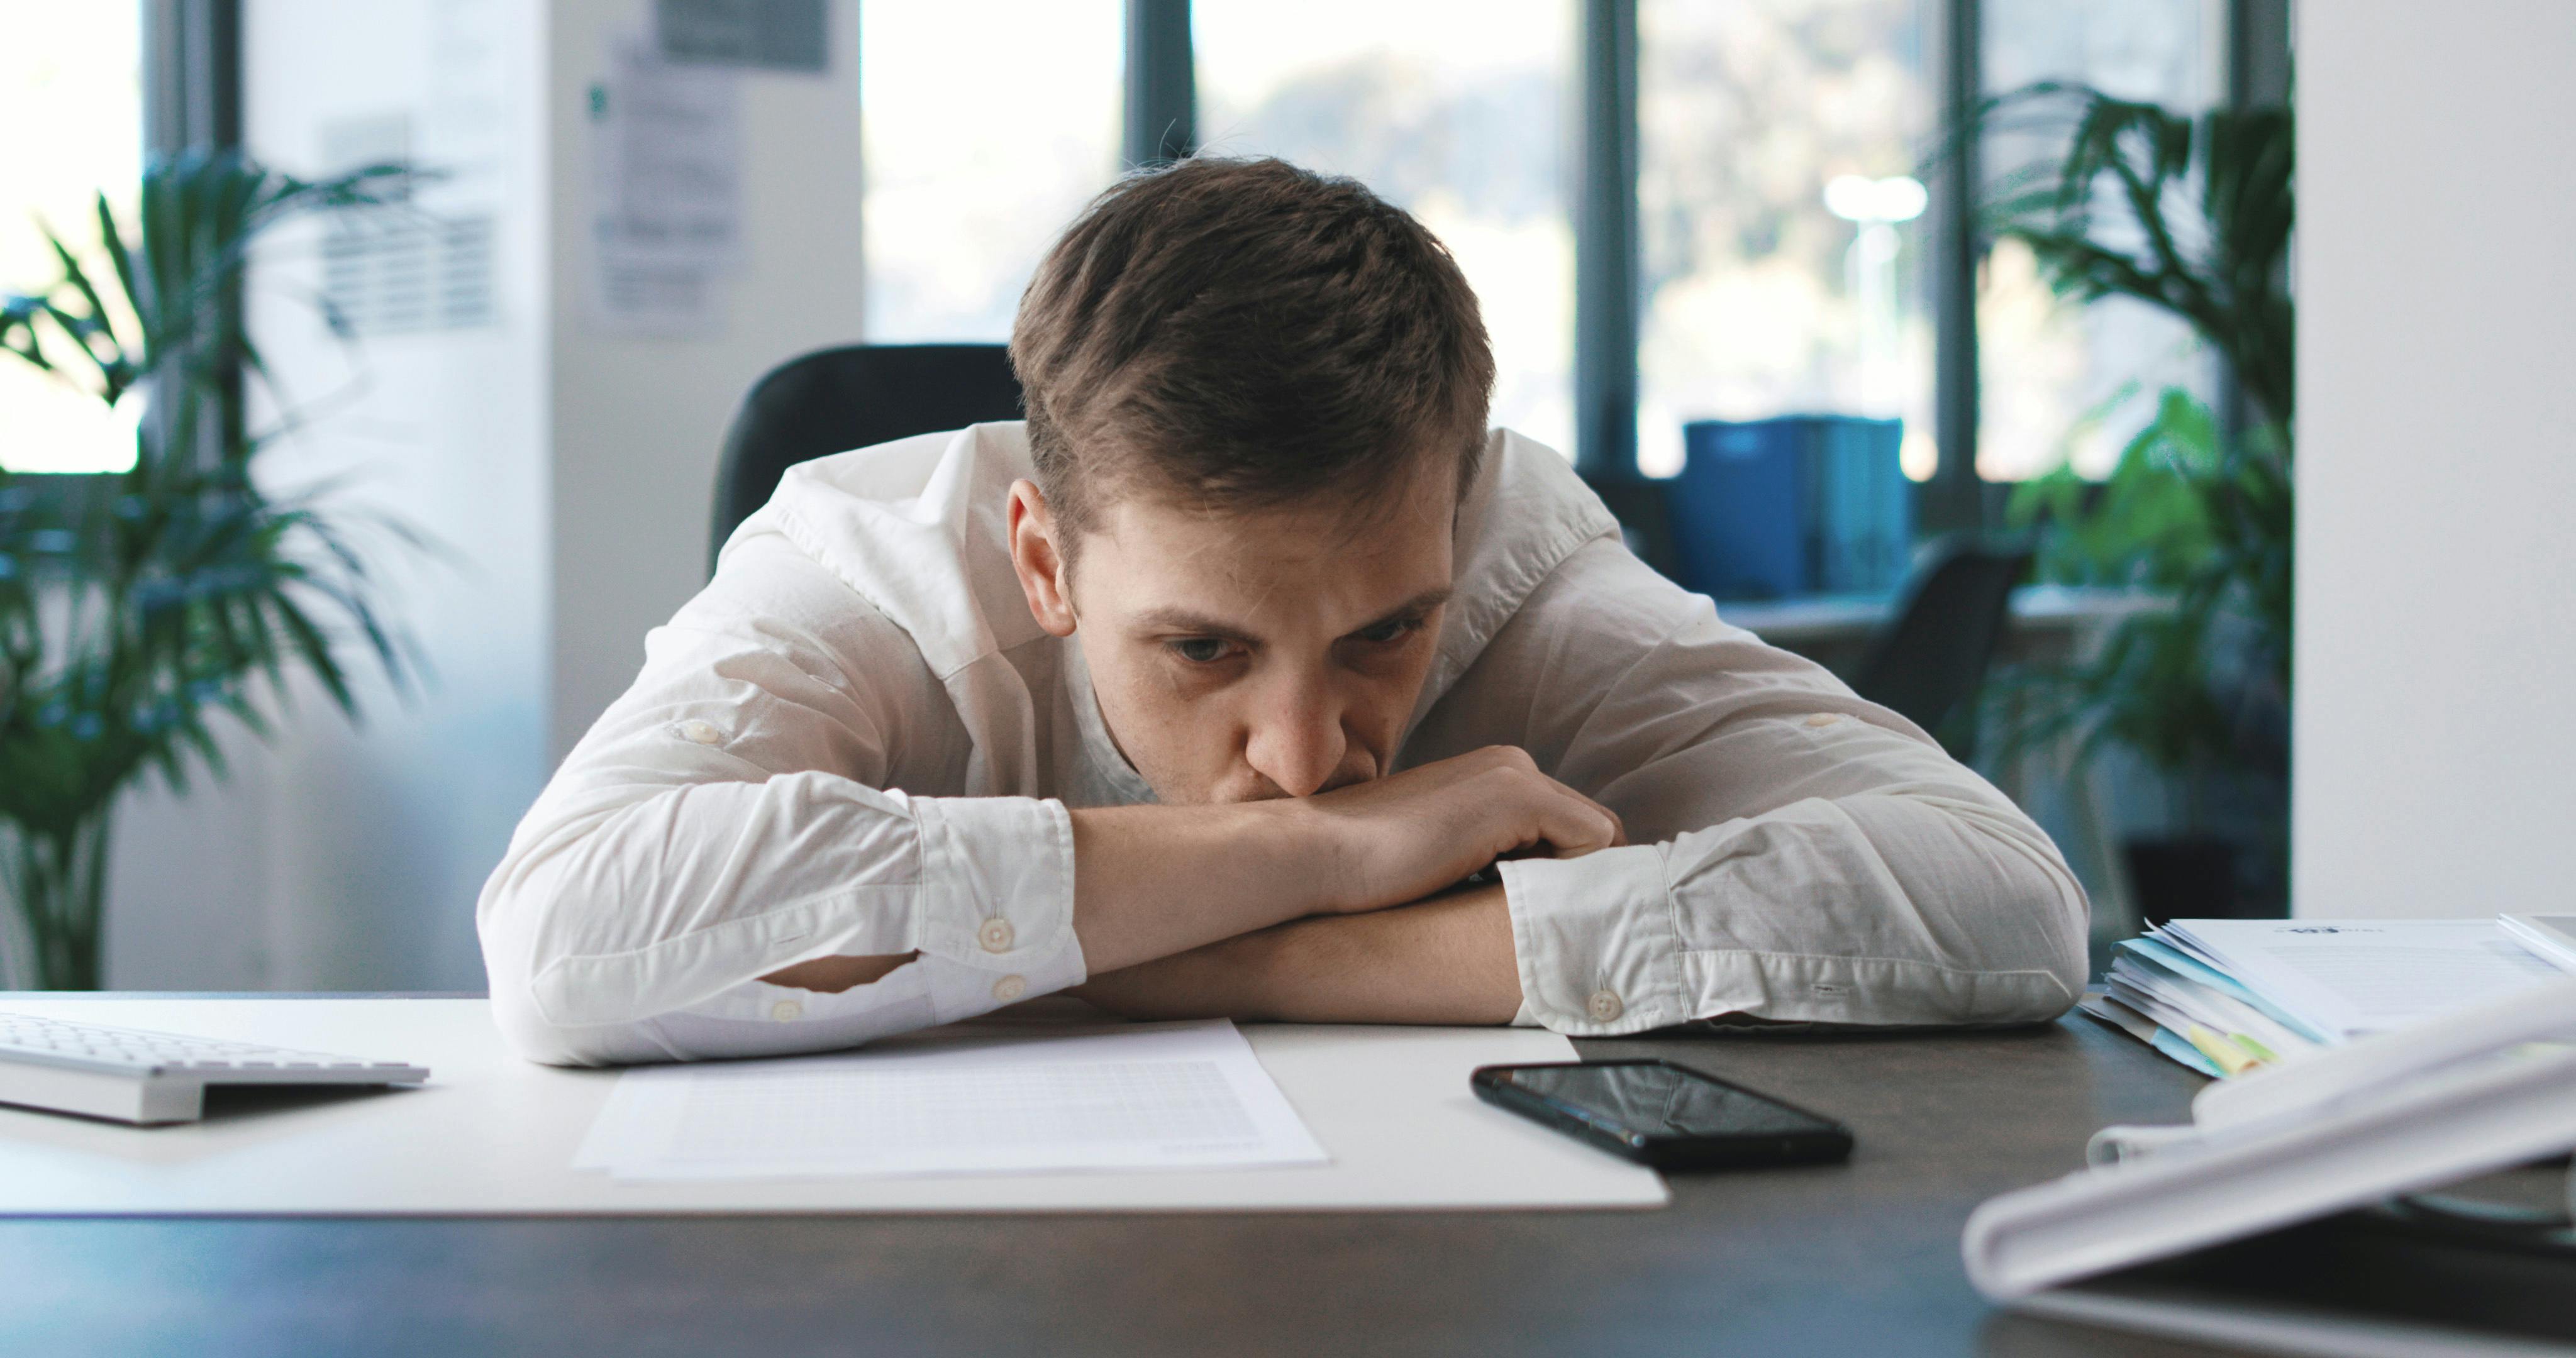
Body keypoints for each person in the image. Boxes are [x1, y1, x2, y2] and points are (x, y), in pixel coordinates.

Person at [477, 157, 2087, 1066]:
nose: (1307, 753)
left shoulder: (1520, 562)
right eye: (1202, 650)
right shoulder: (857, 564)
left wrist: (1225, 957)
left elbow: (2004, 901)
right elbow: (563, 938)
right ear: (1042, 560)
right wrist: (1328, 862)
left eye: (1385, 633)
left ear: (1456, 515)